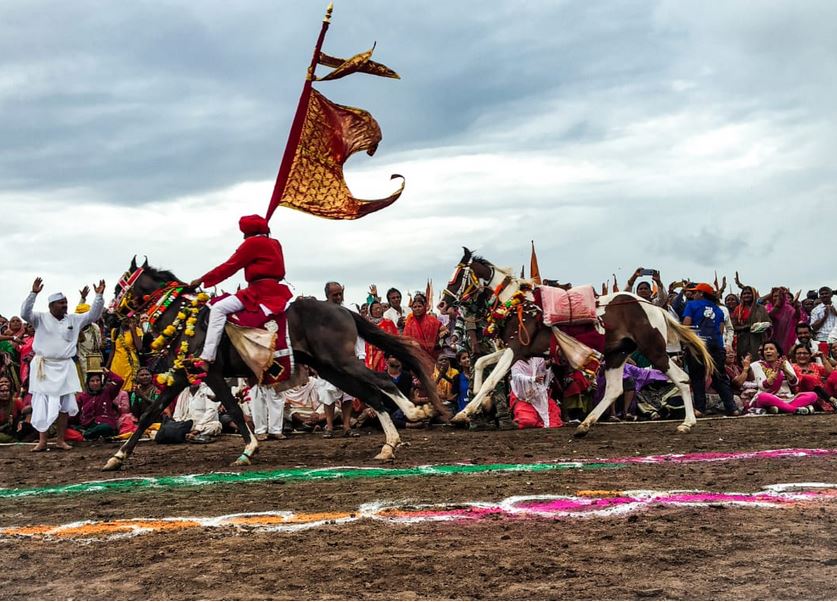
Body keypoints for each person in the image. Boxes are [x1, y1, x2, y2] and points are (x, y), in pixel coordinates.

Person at [190, 214, 292, 365]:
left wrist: (202, 280)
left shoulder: (252, 243)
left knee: (218, 308)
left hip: (259, 291)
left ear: (247, 231)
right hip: (277, 290)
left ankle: (207, 357)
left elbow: (229, 267)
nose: (243, 236)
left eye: (243, 232)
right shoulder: (274, 242)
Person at [20, 277, 106, 451]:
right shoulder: (40, 318)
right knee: (42, 403)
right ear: (51, 306)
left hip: (65, 366)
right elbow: (24, 314)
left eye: (66, 302)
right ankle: (42, 441)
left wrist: (98, 296)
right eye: (61, 303)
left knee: (64, 405)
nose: (65, 306)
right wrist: (33, 294)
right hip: (44, 367)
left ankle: (60, 440)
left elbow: (93, 315)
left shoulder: (73, 319)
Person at [681, 283, 738, 416]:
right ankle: (732, 408)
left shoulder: (691, 305)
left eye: (695, 292)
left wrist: (685, 343)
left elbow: (686, 325)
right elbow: (721, 330)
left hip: (697, 346)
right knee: (719, 377)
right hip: (716, 346)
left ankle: (700, 409)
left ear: (701, 293)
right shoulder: (719, 309)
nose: (693, 295)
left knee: (697, 378)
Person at [743, 340, 818, 414]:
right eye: (766, 349)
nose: (768, 351)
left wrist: (785, 370)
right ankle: (795, 410)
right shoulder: (757, 365)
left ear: (778, 353)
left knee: (813, 395)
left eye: (771, 349)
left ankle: (781, 408)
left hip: (787, 398)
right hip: (770, 397)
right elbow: (763, 386)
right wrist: (777, 372)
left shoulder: (784, 363)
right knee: (763, 397)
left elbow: (795, 383)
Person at [509, 357, 563, 429]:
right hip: (523, 397)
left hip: (539, 396)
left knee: (553, 419)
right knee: (527, 421)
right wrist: (532, 379)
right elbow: (516, 376)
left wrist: (550, 362)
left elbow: (543, 366)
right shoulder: (517, 363)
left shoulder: (536, 360)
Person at [76, 369, 124, 440]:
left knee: (105, 428)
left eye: (97, 380)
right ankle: (87, 434)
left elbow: (119, 381)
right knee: (68, 431)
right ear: (88, 383)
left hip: (104, 425)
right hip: (87, 426)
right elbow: (76, 412)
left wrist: (108, 373)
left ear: (101, 382)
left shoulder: (107, 392)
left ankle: (86, 434)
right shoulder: (82, 396)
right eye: (92, 381)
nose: (95, 383)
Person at [731, 285, 771, 361]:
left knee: (759, 361)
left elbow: (769, 322)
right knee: (744, 361)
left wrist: (762, 326)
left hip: (759, 338)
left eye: (749, 293)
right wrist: (747, 327)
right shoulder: (738, 309)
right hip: (743, 340)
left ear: (753, 294)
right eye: (744, 294)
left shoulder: (761, 308)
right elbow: (734, 326)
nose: (746, 295)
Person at [403, 293, 442, 361]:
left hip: (433, 356)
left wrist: (442, 333)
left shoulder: (432, 320)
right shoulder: (409, 324)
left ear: (424, 307)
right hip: (416, 357)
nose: (417, 309)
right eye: (415, 307)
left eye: (419, 306)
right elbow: (405, 339)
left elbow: (444, 329)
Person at [108, 317, 143, 391]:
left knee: (130, 388)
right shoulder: (115, 331)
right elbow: (112, 350)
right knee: (116, 388)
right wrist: (107, 366)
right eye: (125, 319)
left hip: (131, 365)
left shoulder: (137, 330)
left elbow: (139, 347)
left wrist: (133, 330)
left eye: (130, 319)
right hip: (117, 364)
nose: (127, 321)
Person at [365, 301, 398, 372]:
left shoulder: (389, 322)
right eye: (375, 309)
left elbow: (396, 338)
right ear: (370, 311)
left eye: (380, 308)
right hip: (371, 356)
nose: (378, 310)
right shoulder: (367, 325)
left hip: (387, 355)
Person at [766, 287, 800, 356]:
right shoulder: (767, 307)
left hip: (786, 338)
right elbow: (769, 316)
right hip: (771, 338)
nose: (777, 298)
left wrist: (797, 308)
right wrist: (777, 305)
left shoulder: (789, 308)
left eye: (779, 296)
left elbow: (796, 318)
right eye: (775, 296)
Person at [809, 287, 837, 354]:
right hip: (822, 339)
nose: (824, 295)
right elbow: (814, 328)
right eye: (822, 294)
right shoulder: (815, 310)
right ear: (820, 296)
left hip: (836, 338)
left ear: (831, 295)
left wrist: (836, 313)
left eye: (826, 293)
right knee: (825, 360)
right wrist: (825, 316)